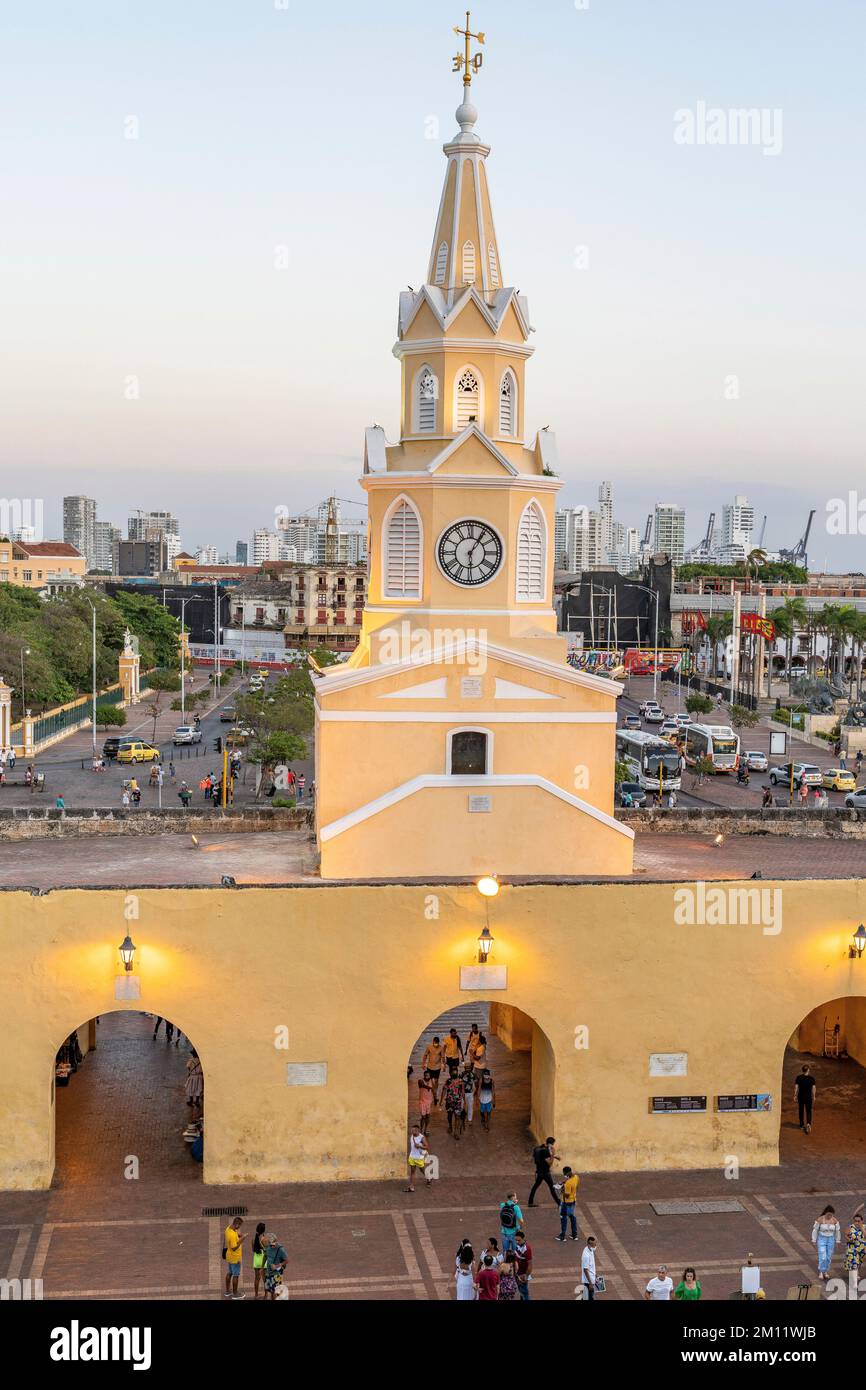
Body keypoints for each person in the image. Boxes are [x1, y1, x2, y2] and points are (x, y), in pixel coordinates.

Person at [812, 1205, 841, 1281]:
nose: (829, 1216)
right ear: (825, 1213)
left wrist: (837, 1241)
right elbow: (815, 1230)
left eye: (831, 1215)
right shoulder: (820, 1220)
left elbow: (837, 1232)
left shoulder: (835, 1221)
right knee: (823, 1255)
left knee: (828, 1257)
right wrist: (814, 1240)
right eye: (828, 1214)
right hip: (822, 1239)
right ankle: (821, 1271)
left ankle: (825, 1271)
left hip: (831, 1239)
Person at [528, 1137, 558, 1207]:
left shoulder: (542, 1148)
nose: (553, 1146)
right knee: (552, 1187)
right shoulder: (546, 1151)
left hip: (539, 1171)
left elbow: (545, 1157)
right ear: (551, 1144)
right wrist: (553, 1154)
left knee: (535, 1186)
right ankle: (559, 1203)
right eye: (553, 1144)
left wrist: (555, 1156)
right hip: (545, 1173)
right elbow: (549, 1163)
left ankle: (530, 1202)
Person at [844, 1206, 866, 1293]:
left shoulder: (864, 1227)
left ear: (862, 1221)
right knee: (854, 1264)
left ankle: (856, 1275)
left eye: (858, 1221)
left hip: (862, 1250)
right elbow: (846, 1235)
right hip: (852, 1249)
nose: (857, 1222)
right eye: (855, 1221)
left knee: (858, 1264)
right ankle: (855, 1284)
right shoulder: (850, 1227)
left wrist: (861, 1228)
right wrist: (848, 1239)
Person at [556, 1165, 580, 1242]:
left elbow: (567, 1195)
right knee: (572, 1216)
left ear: (567, 1172)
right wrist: (563, 1182)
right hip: (573, 1201)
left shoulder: (568, 1184)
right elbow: (575, 1186)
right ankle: (574, 1235)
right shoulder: (576, 1177)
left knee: (563, 1218)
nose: (564, 1175)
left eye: (564, 1174)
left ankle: (562, 1236)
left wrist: (561, 1189)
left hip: (566, 1203)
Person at [223, 1217, 245, 1299]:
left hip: (229, 1256)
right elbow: (234, 1247)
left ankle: (228, 1291)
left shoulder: (228, 1229)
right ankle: (235, 1293)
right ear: (236, 1224)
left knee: (229, 1273)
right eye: (239, 1225)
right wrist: (241, 1239)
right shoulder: (232, 1235)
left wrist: (238, 1235)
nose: (239, 1227)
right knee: (236, 1275)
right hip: (235, 1257)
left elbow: (233, 1235)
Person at [406, 1124, 431, 1191]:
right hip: (412, 1157)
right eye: (411, 1130)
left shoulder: (422, 1138)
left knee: (422, 1170)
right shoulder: (412, 1136)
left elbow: (427, 1147)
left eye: (413, 1130)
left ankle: (428, 1178)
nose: (412, 1131)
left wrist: (419, 1146)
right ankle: (411, 1187)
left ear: (417, 1131)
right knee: (412, 1171)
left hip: (419, 1158)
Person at [263, 1232, 288, 1300]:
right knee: (271, 1291)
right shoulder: (267, 1247)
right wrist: (262, 1268)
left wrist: (277, 1265)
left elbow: (286, 1261)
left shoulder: (280, 1249)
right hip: (268, 1273)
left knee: (275, 1292)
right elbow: (265, 1257)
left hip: (276, 1274)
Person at [442, 1070, 465, 1139]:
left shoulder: (461, 1081)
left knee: (457, 1117)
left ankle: (456, 1132)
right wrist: (441, 1101)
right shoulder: (448, 1081)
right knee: (449, 1116)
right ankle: (450, 1126)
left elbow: (463, 1091)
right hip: (449, 1102)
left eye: (456, 1072)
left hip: (458, 1102)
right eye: (453, 1072)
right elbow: (444, 1090)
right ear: (450, 1073)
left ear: (457, 1073)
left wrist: (464, 1101)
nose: (454, 1073)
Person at [794, 1064, 816, 1133]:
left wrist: (795, 1095)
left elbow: (796, 1087)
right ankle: (808, 1124)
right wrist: (814, 1096)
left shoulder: (798, 1077)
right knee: (808, 1111)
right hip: (808, 1097)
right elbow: (813, 1088)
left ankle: (801, 1125)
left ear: (802, 1070)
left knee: (801, 1111)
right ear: (808, 1070)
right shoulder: (811, 1079)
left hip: (801, 1097)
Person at [422, 1036, 443, 1102]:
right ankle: (434, 1095)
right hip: (430, 1066)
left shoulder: (441, 1048)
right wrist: (423, 1063)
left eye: (437, 1043)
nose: (436, 1044)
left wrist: (444, 1065)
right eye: (435, 1042)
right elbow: (425, 1055)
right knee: (431, 1081)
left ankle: (435, 1091)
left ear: (438, 1042)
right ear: (433, 1042)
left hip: (437, 1067)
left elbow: (442, 1057)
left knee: (436, 1081)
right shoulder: (429, 1047)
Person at [513, 1231, 533, 1301]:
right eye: (516, 1240)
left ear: (523, 1238)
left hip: (522, 1275)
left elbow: (530, 1265)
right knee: (521, 1292)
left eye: (519, 1240)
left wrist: (526, 1276)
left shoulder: (527, 1249)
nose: (517, 1242)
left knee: (525, 1294)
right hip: (517, 1273)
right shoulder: (517, 1245)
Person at [252, 1222, 267, 1298]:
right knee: (265, 1278)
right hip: (262, 1260)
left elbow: (253, 1249)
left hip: (256, 1259)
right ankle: (266, 1295)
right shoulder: (263, 1239)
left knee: (257, 1278)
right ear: (263, 1230)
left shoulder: (253, 1238)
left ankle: (256, 1295)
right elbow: (267, 1249)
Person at [581, 1236, 598, 1302]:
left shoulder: (590, 1250)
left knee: (586, 1297)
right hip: (588, 1281)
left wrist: (595, 1274)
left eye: (595, 1243)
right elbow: (585, 1270)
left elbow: (591, 1266)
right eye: (594, 1244)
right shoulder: (586, 1255)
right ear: (589, 1244)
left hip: (591, 1279)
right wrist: (590, 1283)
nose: (595, 1246)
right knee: (590, 1297)